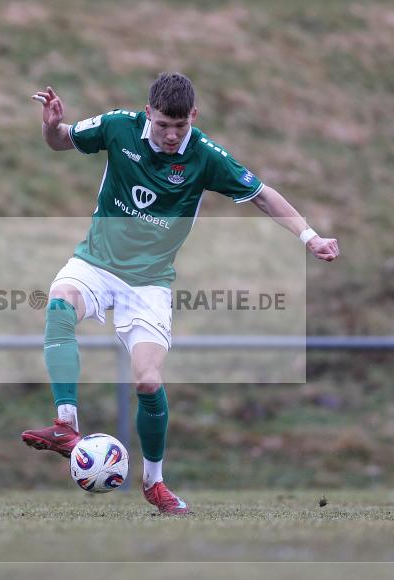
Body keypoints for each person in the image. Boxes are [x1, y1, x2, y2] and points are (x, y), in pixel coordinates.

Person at [21, 73, 339, 514]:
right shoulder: (118, 127)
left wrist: (310, 237)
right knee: (58, 303)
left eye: (180, 127)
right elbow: (60, 142)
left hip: (149, 283)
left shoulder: (205, 157)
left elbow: (263, 195)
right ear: (148, 112)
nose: (171, 136)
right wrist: (51, 126)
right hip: (96, 262)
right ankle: (65, 424)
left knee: (148, 381)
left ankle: (154, 483)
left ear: (193, 117)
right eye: (163, 125)